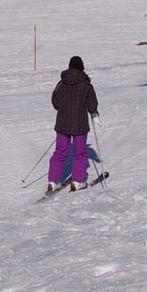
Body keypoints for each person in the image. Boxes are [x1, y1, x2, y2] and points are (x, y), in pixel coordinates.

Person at [47, 55, 99, 192]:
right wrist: (94, 113)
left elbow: (55, 102)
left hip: (62, 124)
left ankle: (52, 181)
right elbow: (92, 104)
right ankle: (77, 181)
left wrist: (65, 110)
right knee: (79, 152)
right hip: (79, 125)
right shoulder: (86, 85)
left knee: (60, 152)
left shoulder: (61, 83)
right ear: (82, 68)